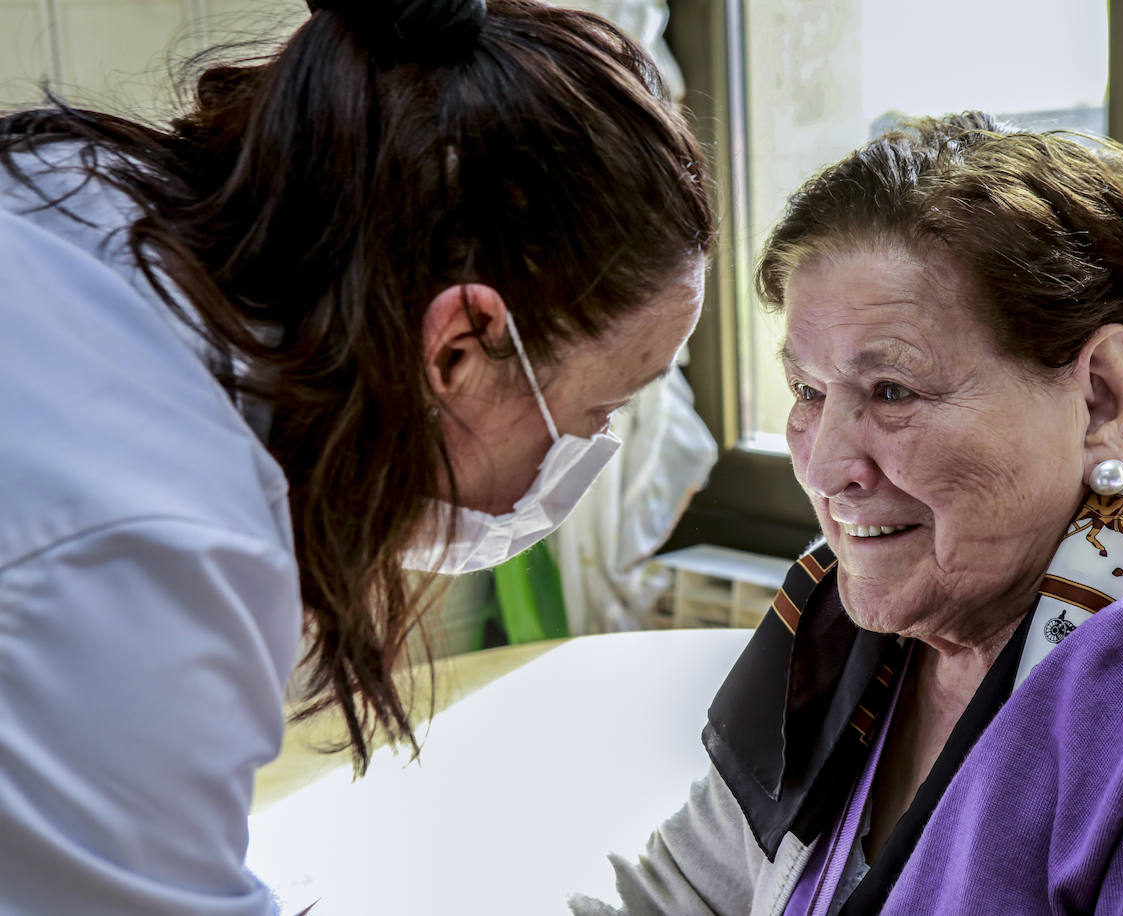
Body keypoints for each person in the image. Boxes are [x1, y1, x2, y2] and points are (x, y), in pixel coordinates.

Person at [0, 0, 713, 911]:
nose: (591, 453)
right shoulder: (150, 548)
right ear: (459, 345)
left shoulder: (87, 194)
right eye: (600, 408)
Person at [571, 112, 1123, 914]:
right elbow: (674, 900)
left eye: (893, 392)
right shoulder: (848, 632)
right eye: (810, 392)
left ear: (1102, 398)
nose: (822, 467)